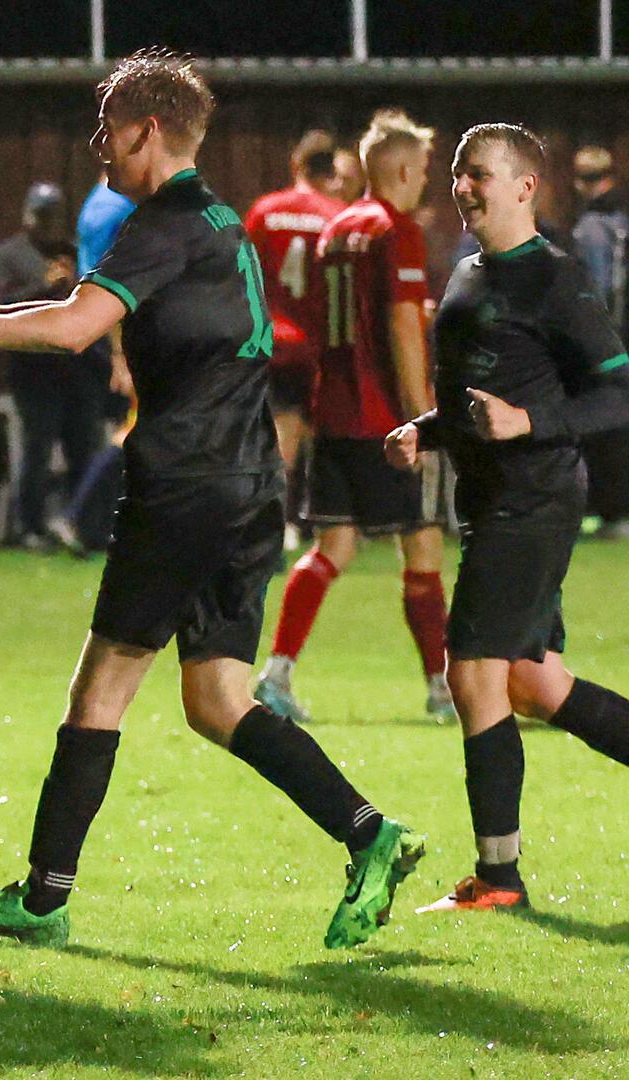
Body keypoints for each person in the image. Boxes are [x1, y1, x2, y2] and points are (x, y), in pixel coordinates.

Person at [0, 48, 422, 950]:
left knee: (99, 692)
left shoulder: (161, 225)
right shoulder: (222, 221)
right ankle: (370, 834)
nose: (95, 145)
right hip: (248, 487)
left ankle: (42, 901)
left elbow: (76, 327)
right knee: (218, 700)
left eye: (107, 128)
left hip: (185, 486)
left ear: (148, 130)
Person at [385, 124, 629, 913]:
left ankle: (499, 879)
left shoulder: (554, 279)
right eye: (457, 173)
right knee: (531, 681)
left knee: (473, 671)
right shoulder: (465, 276)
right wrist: (427, 429)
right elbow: (475, 394)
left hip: (536, 497)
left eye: (479, 173)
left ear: (526, 186)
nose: (463, 186)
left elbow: (616, 391)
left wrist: (530, 422)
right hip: (489, 500)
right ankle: (497, 876)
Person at [256, 111, 452, 725]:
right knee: (422, 548)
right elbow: (401, 324)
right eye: (422, 169)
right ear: (399, 168)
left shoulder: (336, 228)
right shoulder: (397, 231)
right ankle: (443, 689)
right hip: (386, 422)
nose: (426, 180)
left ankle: (277, 673)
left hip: (332, 411)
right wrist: (424, 415)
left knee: (330, 547)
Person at [244, 130, 352, 546]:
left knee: (277, 439)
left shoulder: (264, 211)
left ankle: (277, 522)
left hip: (271, 339)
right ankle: (292, 523)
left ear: (297, 165)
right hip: (317, 346)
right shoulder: (336, 217)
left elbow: (245, 276)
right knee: (305, 437)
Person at [0, 183, 107, 548]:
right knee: (37, 449)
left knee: (84, 448)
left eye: (52, 215)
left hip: (77, 367)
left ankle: (83, 525)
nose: (47, 223)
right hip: (34, 370)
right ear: (28, 215)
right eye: (41, 215)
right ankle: (31, 528)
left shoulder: (73, 252)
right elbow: (4, 304)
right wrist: (44, 285)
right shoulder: (9, 255)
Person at [571, 144, 629, 537]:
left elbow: (597, 289)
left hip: (609, 339)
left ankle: (607, 509)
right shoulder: (622, 220)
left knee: (603, 423)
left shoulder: (591, 227)